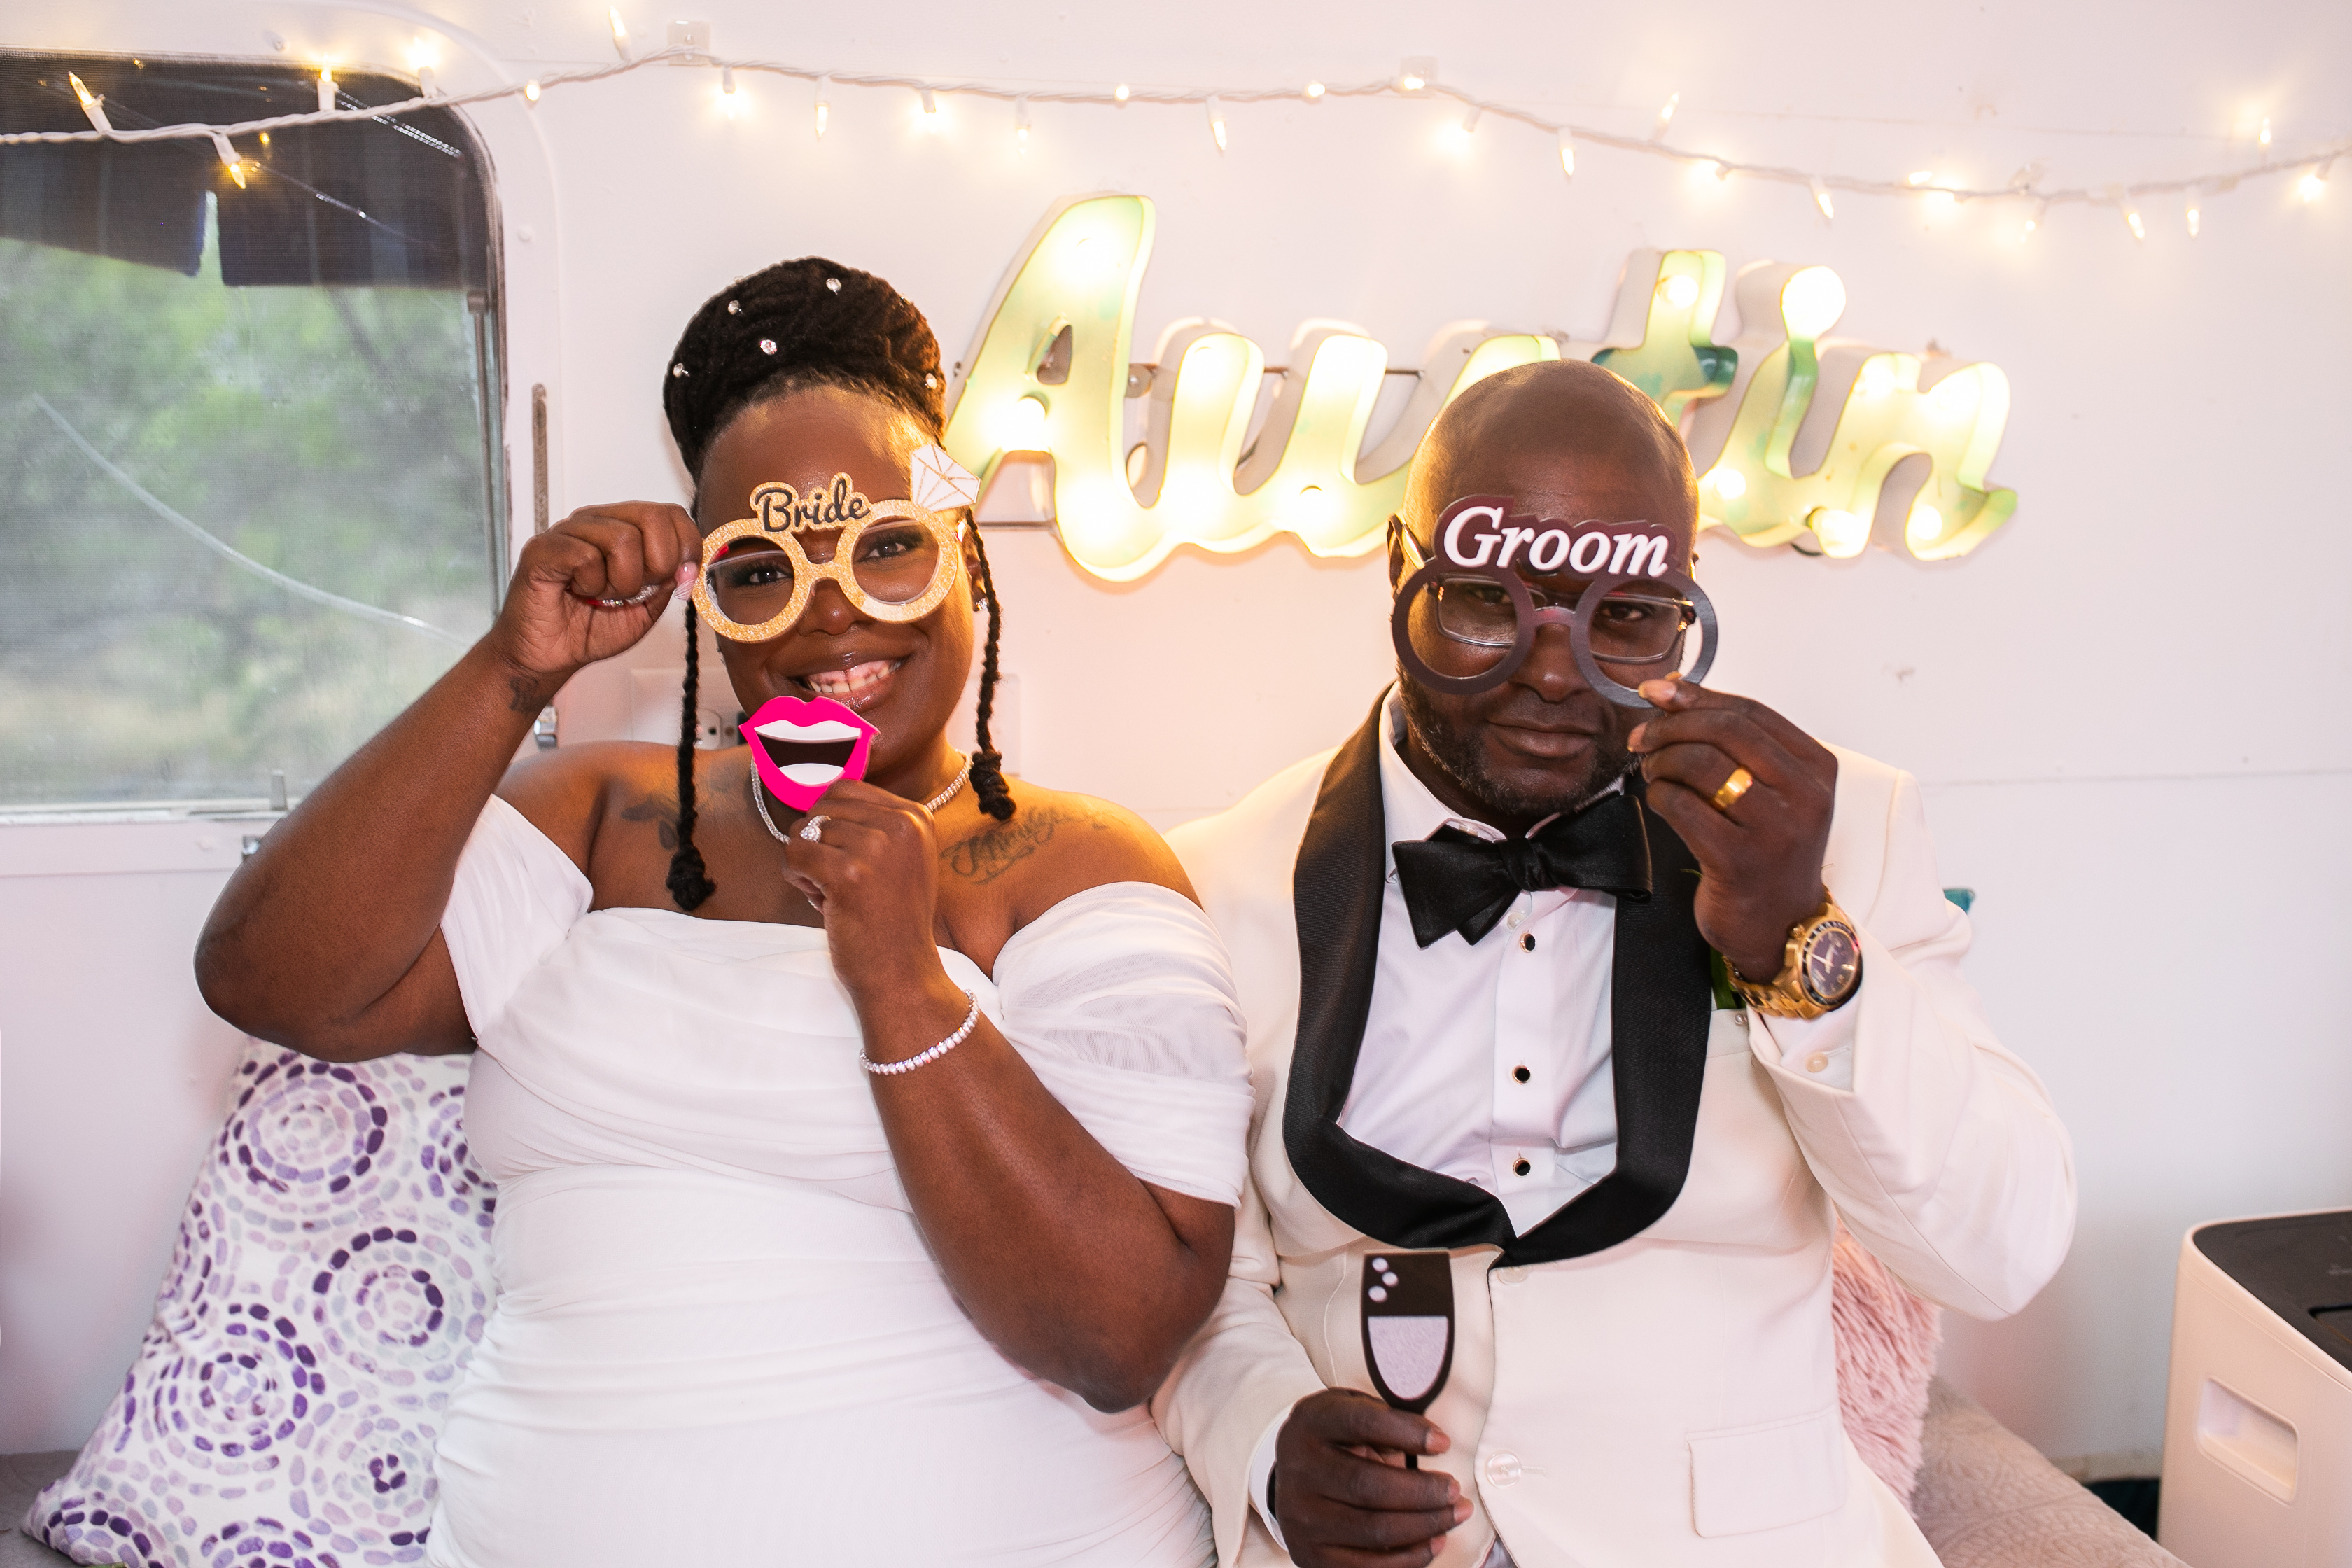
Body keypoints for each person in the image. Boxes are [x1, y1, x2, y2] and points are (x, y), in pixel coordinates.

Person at [193, 258, 1252, 1566]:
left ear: (964, 561)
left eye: (889, 551)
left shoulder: (1072, 860)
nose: (835, 612)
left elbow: (1116, 1336)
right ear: (707, 607)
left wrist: (903, 987)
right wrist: (511, 671)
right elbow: (275, 979)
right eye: (762, 572)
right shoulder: (599, 812)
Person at [1149, 359, 2076, 1567]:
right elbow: (1189, 1279)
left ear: (1680, 615)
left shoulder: (1843, 831)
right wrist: (1264, 1438)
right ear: (1398, 576)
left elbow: (1995, 1250)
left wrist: (1800, 943)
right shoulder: (1206, 887)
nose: (1549, 673)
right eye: (1487, 599)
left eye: (1622, 619)